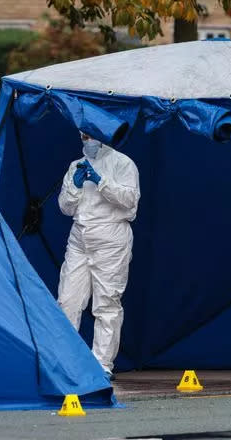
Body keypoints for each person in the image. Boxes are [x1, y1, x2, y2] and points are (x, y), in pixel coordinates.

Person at [57, 132, 140, 378]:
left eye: (91, 135)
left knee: (107, 302)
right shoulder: (76, 166)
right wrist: (76, 187)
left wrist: (102, 182)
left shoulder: (123, 163)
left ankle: (102, 364)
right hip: (80, 238)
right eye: (83, 135)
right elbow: (64, 206)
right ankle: (66, 360)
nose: (87, 140)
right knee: (67, 300)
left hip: (111, 238)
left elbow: (130, 200)